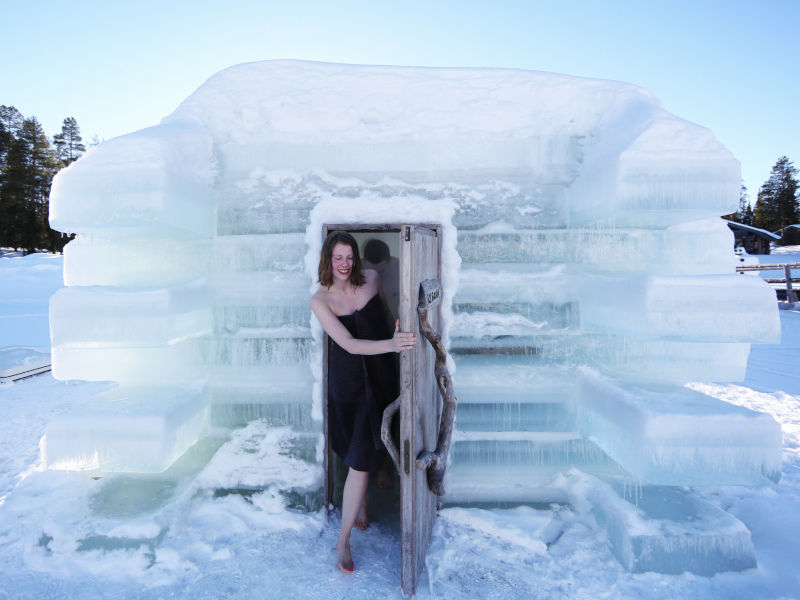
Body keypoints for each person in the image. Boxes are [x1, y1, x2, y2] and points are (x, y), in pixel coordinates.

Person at [310, 231, 416, 573]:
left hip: (383, 371)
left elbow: (384, 315)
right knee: (358, 455)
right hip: (350, 381)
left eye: (349, 257)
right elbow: (350, 344)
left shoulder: (371, 279)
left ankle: (365, 499)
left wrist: (399, 331)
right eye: (338, 258)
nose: (344, 265)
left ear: (357, 258)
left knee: (382, 439)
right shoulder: (320, 300)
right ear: (328, 259)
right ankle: (342, 542)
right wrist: (393, 345)